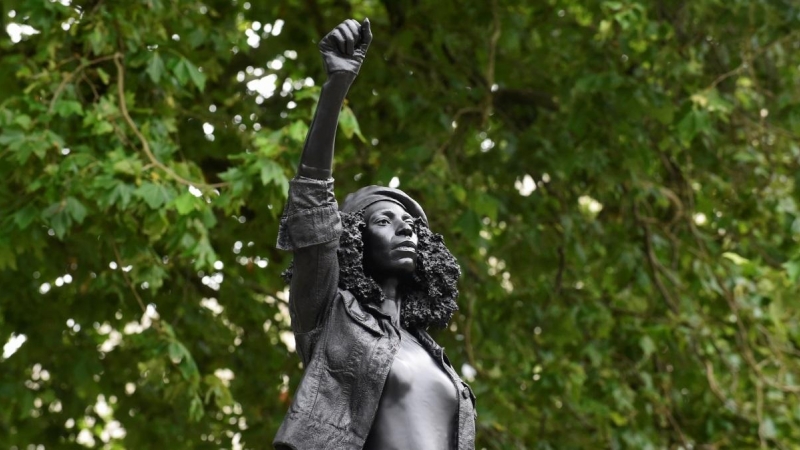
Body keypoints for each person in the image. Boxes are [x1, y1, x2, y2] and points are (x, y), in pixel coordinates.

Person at [274, 18, 476, 450]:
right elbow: (312, 206)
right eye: (383, 221)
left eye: (412, 226)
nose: (405, 229)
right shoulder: (330, 315)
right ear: (354, 241)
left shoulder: (432, 354)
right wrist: (336, 87)